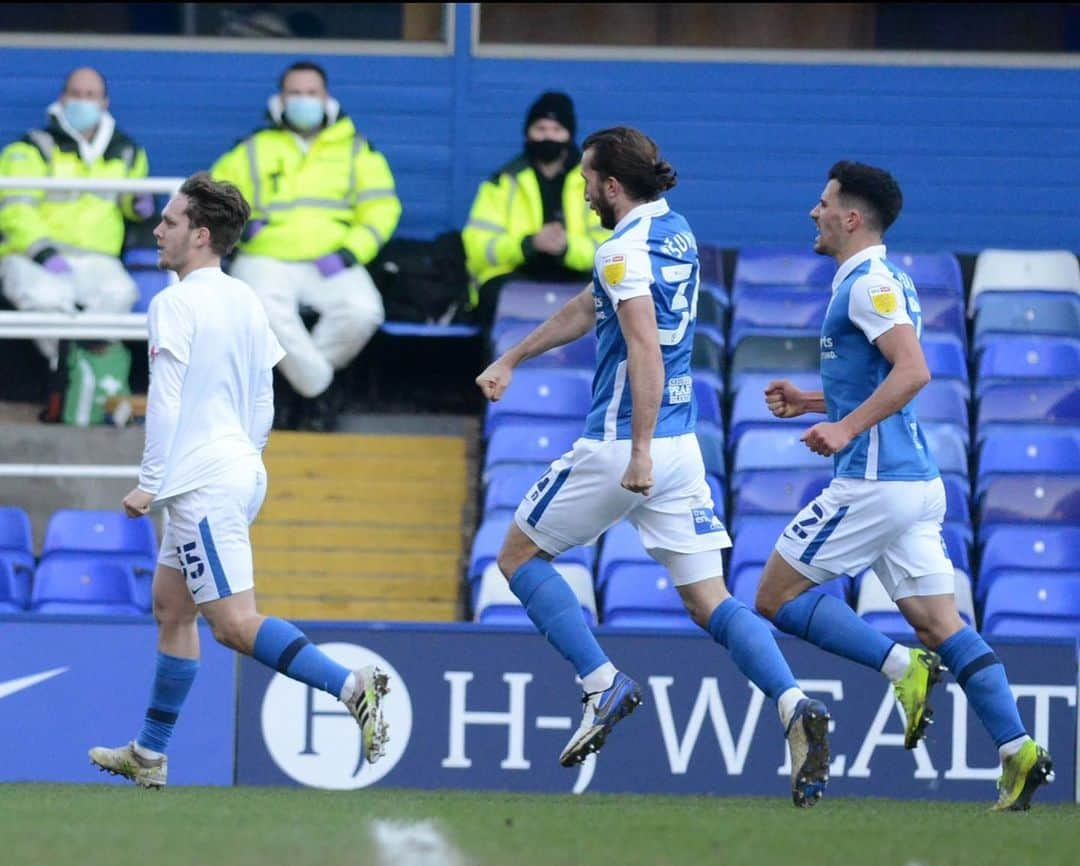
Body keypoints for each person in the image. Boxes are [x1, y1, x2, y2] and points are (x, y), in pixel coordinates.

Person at [475, 126, 831, 808]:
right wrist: (514, 356)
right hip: (680, 446)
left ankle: (599, 682)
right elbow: (592, 305)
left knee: (518, 558)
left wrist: (635, 450)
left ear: (611, 185)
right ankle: (791, 703)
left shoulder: (619, 248)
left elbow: (642, 344)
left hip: (623, 444)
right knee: (710, 600)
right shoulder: (675, 233)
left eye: (586, 180)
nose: (580, 192)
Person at [754, 160, 1054, 812]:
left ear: (852, 218)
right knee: (941, 624)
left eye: (825, 202)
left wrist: (844, 430)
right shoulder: (881, 280)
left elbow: (913, 371)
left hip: (874, 483)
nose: (815, 211)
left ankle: (901, 669)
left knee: (774, 596)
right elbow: (879, 377)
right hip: (913, 483)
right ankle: (1019, 750)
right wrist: (812, 403)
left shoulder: (867, 285)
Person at [88, 173, 389, 788]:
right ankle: (149, 752)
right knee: (172, 609)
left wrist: (151, 481)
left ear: (199, 235)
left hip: (199, 483)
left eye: (169, 222)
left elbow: (166, 399)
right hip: (230, 472)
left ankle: (350, 684)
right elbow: (263, 395)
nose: (157, 229)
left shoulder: (173, 303)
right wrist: (246, 459)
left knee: (232, 624)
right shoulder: (246, 296)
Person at [211, 60, 401, 432]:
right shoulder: (252, 149)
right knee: (260, 311)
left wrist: (351, 251)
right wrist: (241, 228)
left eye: (311, 93)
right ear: (280, 100)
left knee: (363, 311)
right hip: (266, 255)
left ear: (327, 99)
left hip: (331, 258)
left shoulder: (357, 150)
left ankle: (292, 387)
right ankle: (318, 391)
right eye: (295, 93)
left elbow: (383, 207)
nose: (303, 100)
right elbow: (211, 200)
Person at [0, 67, 152, 369]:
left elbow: (132, 205)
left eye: (90, 95)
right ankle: (71, 373)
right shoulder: (31, 148)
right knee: (45, 298)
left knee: (120, 293)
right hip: (33, 255)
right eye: (76, 93)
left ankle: (81, 375)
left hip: (97, 259)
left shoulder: (128, 153)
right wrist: (42, 252)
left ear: (104, 103)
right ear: (62, 98)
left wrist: (139, 205)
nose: (82, 101)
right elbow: (14, 209)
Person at [462, 91, 608, 329]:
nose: (548, 136)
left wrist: (566, 249)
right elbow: (476, 247)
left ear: (569, 135)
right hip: (515, 278)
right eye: (540, 129)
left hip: (577, 280)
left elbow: (610, 246)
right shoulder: (501, 183)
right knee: (492, 298)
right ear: (528, 133)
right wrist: (527, 245)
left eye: (556, 130)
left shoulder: (594, 183)